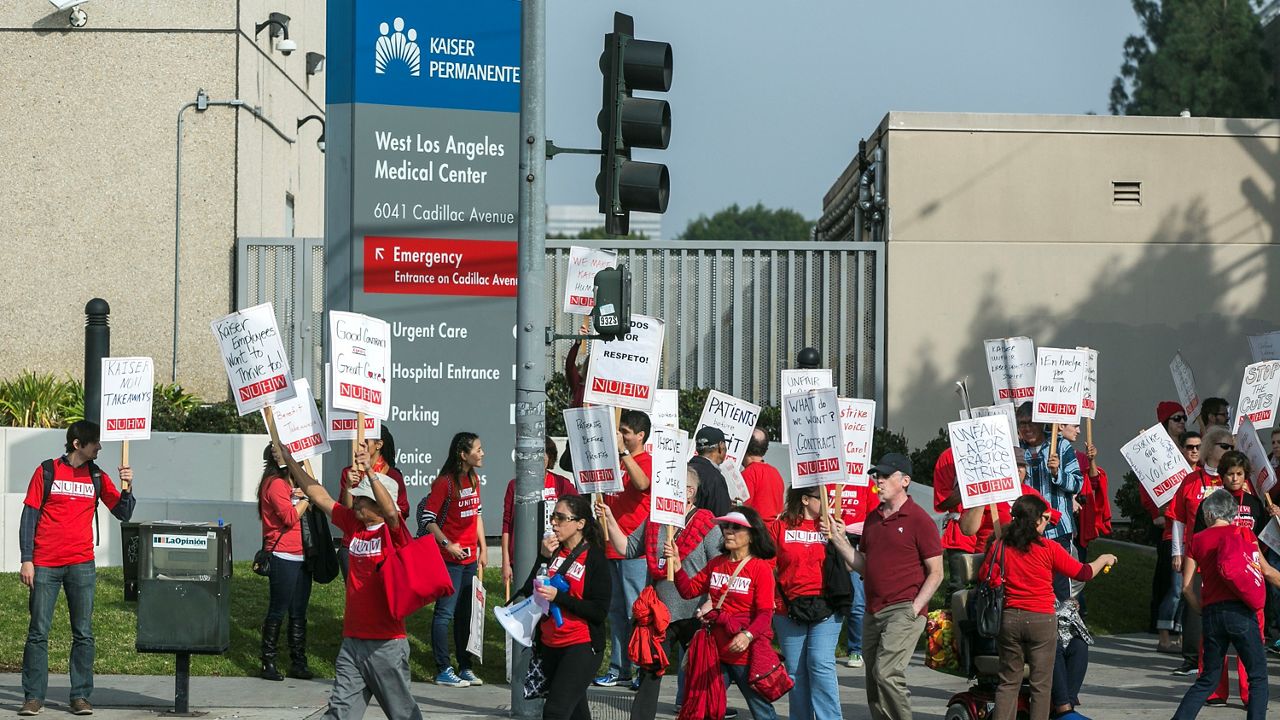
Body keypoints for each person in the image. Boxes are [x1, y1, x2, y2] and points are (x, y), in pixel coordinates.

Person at [280, 445, 422, 720]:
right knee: (339, 713)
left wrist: (369, 470)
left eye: (363, 499)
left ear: (379, 505)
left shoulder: (395, 534)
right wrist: (290, 461)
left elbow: (392, 514)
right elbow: (317, 494)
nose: (355, 501)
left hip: (386, 645)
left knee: (403, 715)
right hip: (353, 641)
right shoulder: (355, 525)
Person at [19, 420, 136, 717]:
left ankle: (81, 697)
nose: (99, 446)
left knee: (83, 633)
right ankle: (33, 697)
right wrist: (27, 558)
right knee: (38, 633)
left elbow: (123, 512)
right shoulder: (46, 471)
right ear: (77, 444)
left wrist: (128, 486)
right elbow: (29, 516)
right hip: (44, 564)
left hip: (82, 564)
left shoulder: (97, 476)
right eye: (94, 442)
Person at [597, 468, 722, 720]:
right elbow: (627, 547)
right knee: (649, 672)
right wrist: (609, 517)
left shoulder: (707, 522)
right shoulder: (656, 518)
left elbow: (720, 568)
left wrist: (711, 602)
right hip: (660, 613)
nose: (663, 491)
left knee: (700, 677)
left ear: (689, 492)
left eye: (672, 485)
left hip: (695, 612)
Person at [827, 453, 942, 720]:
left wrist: (914, 609)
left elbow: (936, 573)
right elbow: (864, 565)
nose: (879, 481)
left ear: (905, 481)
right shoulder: (873, 519)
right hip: (873, 609)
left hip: (903, 608)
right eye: (877, 476)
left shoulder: (919, 519)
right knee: (874, 680)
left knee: (887, 673)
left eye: (885, 476)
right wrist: (839, 540)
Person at [984, 494, 1115, 720]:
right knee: (1041, 686)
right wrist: (1104, 559)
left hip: (1010, 619)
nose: (1047, 522)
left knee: (1008, 684)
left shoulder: (999, 546)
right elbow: (1083, 573)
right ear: (1035, 520)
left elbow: (984, 577)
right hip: (1041, 621)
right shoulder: (1049, 548)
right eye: (1045, 518)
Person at [1171, 489, 1272, 720]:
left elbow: (1186, 587)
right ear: (1233, 513)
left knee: (1208, 678)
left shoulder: (1197, 540)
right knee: (1257, 676)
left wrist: (1202, 610)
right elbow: (1265, 571)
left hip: (1212, 614)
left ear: (1208, 514)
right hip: (1241, 612)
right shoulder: (1244, 534)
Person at [669, 507, 778, 720]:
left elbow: (765, 615)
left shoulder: (760, 568)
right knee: (706, 707)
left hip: (744, 653)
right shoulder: (716, 564)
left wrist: (747, 636)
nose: (728, 531)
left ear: (752, 535)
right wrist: (677, 566)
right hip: (714, 651)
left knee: (761, 711)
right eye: (726, 526)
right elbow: (688, 591)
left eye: (736, 528)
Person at [1188, 451, 1273, 708]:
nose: (1235, 478)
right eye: (1230, 474)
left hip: (1249, 580)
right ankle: (1215, 692)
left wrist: (1275, 513)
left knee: (1252, 644)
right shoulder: (1211, 504)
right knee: (1214, 645)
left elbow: (1267, 540)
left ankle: (1249, 695)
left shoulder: (1257, 504)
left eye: (1239, 474)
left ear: (1246, 476)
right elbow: (1198, 539)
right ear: (1222, 476)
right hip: (1216, 580)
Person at [519, 494, 612, 720]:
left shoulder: (595, 558)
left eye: (561, 518)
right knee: (576, 714)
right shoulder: (553, 551)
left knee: (555, 712)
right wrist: (543, 557)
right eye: (553, 516)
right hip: (550, 644)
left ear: (580, 524)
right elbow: (528, 589)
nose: (554, 523)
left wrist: (559, 598)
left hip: (580, 645)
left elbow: (599, 611)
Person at [770, 488, 847, 720]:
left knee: (820, 664)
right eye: (821, 497)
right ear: (805, 500)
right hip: (788, 608)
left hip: (827, 606)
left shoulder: (833, 525)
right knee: (795, 672)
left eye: (829, 497)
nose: (828, 502)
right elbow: (767, 565)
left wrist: (839, 537)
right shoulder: (780, 526)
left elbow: (852, 566)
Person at [418, 432, 487, 688]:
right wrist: (448, 544)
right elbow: (428, 519)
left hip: (469, 559)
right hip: (449, 560)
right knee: (444, 613)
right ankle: (443, 668)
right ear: (463, 454)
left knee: (465, 615)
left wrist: (482, 546)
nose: (482, 453)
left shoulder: (473, 478)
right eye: (478, 449)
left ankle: (464, 666)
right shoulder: (445, 483)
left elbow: (476, 514)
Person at [1168, 425, 1233, 675]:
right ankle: (1192, 657)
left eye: (1232, 447)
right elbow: (1179, 517)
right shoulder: (1192, 479)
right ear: (1210, 448)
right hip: (1197, 552)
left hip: (1227, 554)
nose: (1229, 451)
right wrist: (1177, 551)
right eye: (1224, 446)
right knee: (1192, 598)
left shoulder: (1236, 479)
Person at [596, 410, 653, 689]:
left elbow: (643, 484)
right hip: (610, 547)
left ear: (640, 436)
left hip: (635, 551)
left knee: (636, 612)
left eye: (626, 432)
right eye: (619, 431)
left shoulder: (645, 461)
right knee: (616, 612)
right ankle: (620, 668)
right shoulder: (614, 460)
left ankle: (643, 668)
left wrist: (622, 453)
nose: (620, 435)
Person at [257, 443, 314, 681]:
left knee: (298, 611)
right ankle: (268, 660)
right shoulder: (275, 484)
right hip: (283, 554)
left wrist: (300, 494)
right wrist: (307, 498)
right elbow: (290, 518)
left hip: (300, 554)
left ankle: (298, 661)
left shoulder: (288, 486)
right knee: (278, 609)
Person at [1015, 402, 1083, 601]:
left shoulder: (1061, 445)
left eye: (1030, 423)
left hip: (1058, 529)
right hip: (1028, 529)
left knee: (1061, 586)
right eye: (1021, 424)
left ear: (1040, 422)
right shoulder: (1017, 450)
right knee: (1033, 584)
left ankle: (1063, 628)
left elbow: (1077, 483)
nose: (1026, 428)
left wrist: (1057, 473)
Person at [502, 436, 577, 591]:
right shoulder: (514, 485)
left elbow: (578, 512)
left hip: (555, 553)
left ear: (550, 458)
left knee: (549, 601)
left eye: (543, 455)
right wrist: (505, 562)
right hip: (523, 556)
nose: (538, 460)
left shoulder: (561, 483)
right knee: (525, 600)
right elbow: (507, 525)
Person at [336, 426, 410, 579]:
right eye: (357, 442)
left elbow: (401, 511)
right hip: (352, 542)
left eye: (365, 442)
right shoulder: (349, 473)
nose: (360, 446)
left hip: (382, 544)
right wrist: (349, 486)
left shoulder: (393, 475)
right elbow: (346, 511)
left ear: (379, 444)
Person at [824, 480, 879, 669]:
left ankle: (856, 650)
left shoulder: (865, 483)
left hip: (855, 546)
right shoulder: (826, 481)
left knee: (857, 601)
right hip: (825, 545)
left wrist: (849, 530)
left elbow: (874, 517)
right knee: (826, 598)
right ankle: (825, 647)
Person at [933, 447, 977, 593]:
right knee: (959, 590)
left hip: (997, 533)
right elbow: (941, 502)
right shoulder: (949, 457)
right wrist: (969, 487)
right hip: (962, 537)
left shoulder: (1001, 450)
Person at [688, 427, 732, 517]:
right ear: (721, 446)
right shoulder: (715, 478)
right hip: (706, 530)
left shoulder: (684, 470)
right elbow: (721, 518)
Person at [741, 429, 784, 521]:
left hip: (757, 532)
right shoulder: (775, 472)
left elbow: (742, 511)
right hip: (774, 531)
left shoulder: (748, 474)